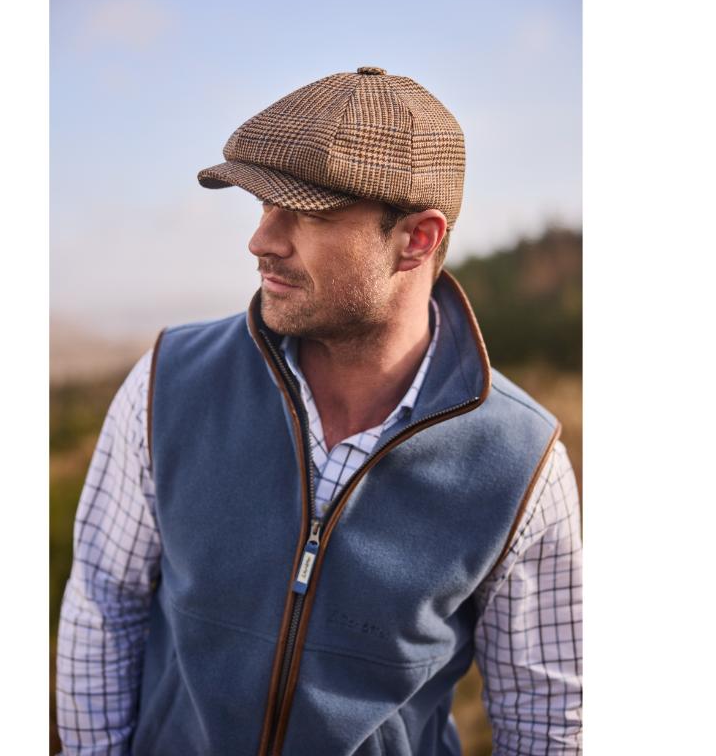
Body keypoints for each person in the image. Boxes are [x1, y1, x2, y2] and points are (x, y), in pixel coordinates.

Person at [56, 67, 582, 755]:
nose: (262, 240)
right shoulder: (167, 383)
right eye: (263, 205)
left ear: (417, 238)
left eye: (306, 213)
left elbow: (546, 715)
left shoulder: (522, 461)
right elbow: (103, 604)